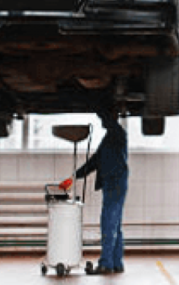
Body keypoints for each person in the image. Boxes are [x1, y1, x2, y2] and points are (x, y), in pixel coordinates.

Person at [59, 108, 128, 275]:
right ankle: (116, 263)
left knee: (108, 223)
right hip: (114, 183)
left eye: (104, 118)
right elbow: (95, 161)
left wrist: (101, 107)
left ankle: (106, 264)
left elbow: (110, 122)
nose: (102, 122)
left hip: (115, 183)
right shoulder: (110, 137)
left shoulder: (117, 132)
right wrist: (75, 176)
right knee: (115, 225)